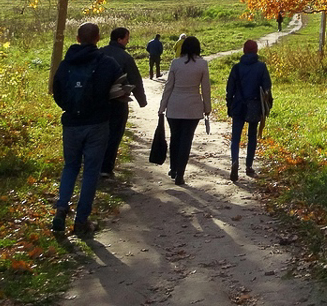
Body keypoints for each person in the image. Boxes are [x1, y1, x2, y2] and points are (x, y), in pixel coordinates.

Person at [51, 22, 119, 237]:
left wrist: (71, 108)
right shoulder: (107, 63)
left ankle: (61, 209)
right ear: (98, 38)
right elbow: (118, 88)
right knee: (90, 171)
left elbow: (57, 91)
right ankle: (81, 221)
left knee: (70, 166)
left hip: (71, 123)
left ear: (78, 38)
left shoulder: (65, 63)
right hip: (97, 124)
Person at [157, 35, 210, 185]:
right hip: (192, 107)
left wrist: (162, 106)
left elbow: (168, 87)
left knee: (175, 138)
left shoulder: (175, 63)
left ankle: (173, 168)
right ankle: (180, 172)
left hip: (174, 105)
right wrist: (207, 107)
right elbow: (206, 89)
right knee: (186, 140)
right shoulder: (202, 65)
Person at [100, 26, 147, 178]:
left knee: (98, 133)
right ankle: (106, 168)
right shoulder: (125, 57)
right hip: (118, 102)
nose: (128, 41)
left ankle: (93, 164)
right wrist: (142, 101)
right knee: (114, 133)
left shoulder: (99, 52)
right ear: (120, 39)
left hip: (97, 101)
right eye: (127, 38)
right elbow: (135, 80)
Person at [224, 39, 273, 181]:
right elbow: (267, 87)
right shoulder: (261, 67)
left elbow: (230, 89)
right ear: (256, 50)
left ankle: (234, 161)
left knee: (235, 137)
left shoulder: (236, 68)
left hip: (238, 105)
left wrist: (229, 104)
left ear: (244, 51)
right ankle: (249, 165)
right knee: (252, 135)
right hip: (254, 105)